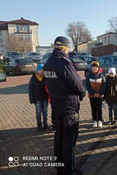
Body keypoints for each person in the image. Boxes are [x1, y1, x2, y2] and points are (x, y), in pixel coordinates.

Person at [43, 36, 86, 175]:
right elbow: (77, 84)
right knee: (68, 142)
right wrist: (82, 93)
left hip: (56, 106)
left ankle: (60, 168)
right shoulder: (64, 62)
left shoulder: (48, 63)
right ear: (65, 47)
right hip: (68, 108)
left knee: (58, 139)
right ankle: (69, 170)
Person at [28, 64, 49, 131]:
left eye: (42, 70)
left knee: (45, 112)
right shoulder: (33, 78)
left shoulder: (45, 77)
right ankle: (39, 125)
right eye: (40, 70)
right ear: (37, 70)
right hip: (37, 99)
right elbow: (30, 89)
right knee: (38, 112)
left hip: (45, 97)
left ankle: (45, 125)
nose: (41, 71)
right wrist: (31, 99)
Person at [86, 61, 106, 128]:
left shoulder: (101, 75)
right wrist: (93, 93)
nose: (95, 68)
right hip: (92, 95)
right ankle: (94, 120)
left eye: (96, 67)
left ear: (98, 68)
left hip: (100, 95)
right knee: (93, 108)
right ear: (91, 68)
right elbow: (87, 86)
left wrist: (100, 93)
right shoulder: (88, 75)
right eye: (93, 67)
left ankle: (99, 120)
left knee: (99, 108)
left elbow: (104, 85)